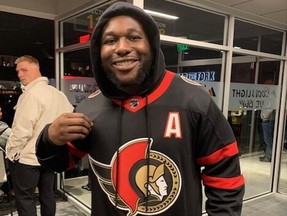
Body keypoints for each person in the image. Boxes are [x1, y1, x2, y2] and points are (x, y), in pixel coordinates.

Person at [36, 2, 245, 216]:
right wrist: (49, 138)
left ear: (152, 45)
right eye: (110, 40)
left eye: (134, 37)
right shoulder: (90, 107)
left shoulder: (193, 100)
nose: (122, 47)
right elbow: (61, 163)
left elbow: (225, 177)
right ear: (99, 52)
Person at [5, 55, 74, 216]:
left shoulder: (30, 95)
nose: (20, 74)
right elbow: (69, 119)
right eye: (17, 71)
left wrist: (11, 153)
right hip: (49, 157)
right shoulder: (58, 94)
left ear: (36, 69)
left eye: (24, 70)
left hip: (27, 159)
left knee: (25, 198)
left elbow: (22, 131)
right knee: (47, 194)